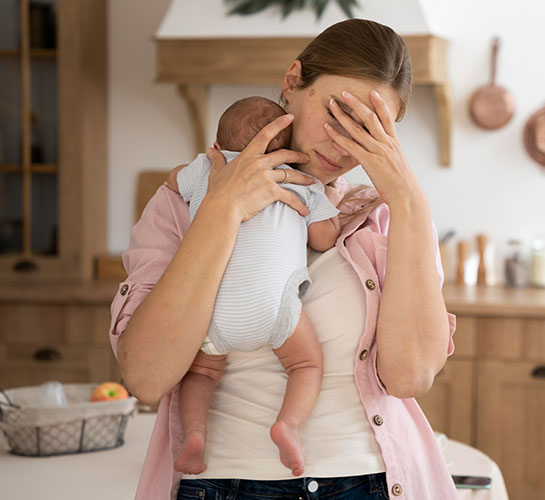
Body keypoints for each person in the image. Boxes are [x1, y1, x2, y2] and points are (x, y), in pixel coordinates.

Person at [109, 18, 458, 500]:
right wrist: (222, 209)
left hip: (370, 482)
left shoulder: (385, 218)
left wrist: (408, 198)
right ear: (292, 83)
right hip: (223, 484)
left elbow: (409, 376)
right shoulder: (183, 202)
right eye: (337, 117)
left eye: (370, 131)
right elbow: (146, 377)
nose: (343, 146)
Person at [166, 96, 343, 476]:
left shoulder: (206, 169)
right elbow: (326, 239)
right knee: (306, 364)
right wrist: (328, 201)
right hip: (274, 307)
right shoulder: (302, 181)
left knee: (200, 374)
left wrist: (200, 166)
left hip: (212, 309)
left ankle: (194, 436)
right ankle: (288, 426)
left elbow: (170, 182)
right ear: (291, 152)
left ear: (216, 148)